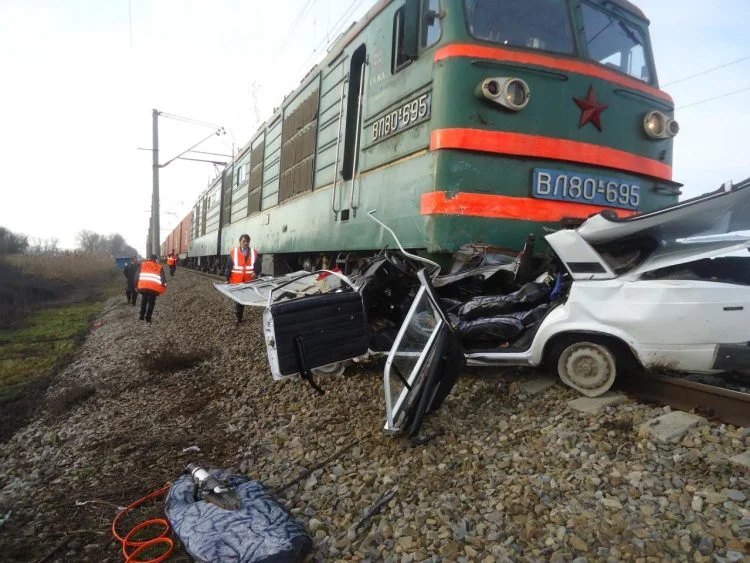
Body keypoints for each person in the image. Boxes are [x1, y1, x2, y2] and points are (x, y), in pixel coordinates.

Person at [224, 234, 261, 323]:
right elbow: (229, 266)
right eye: (244, 241)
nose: (246, 243)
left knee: (243, 299)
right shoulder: (234, 253)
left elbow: (258, 265)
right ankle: (239, 317)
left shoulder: (253, 252)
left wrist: (256, 272)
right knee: (238, 300)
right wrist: (227, 278)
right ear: (240, 241)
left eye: (247, 241)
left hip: (248, 280)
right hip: (237, 280)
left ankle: (239, 316)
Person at [136, 254, 167, 323]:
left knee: (144, 300)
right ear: (155, 259)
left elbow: (136, 276)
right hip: (153, 288)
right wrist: (163, 288)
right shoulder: (159, 267)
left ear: (149, 259)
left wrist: (136, 286)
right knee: (151, 303)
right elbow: (163, 279)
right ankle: (148, 317)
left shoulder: (142, 265)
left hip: (143, 286)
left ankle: (142, 315)